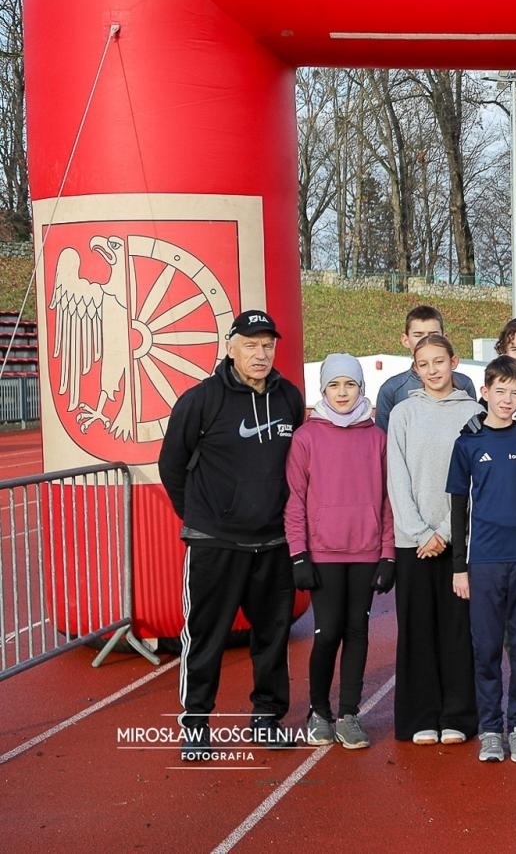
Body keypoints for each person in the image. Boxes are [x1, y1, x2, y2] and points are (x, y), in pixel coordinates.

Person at [157, 309, 306, 761]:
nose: (260, 354)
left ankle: (266, 720)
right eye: (250, 345)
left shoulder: (289, 398)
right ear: (230, 347)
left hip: (274, 543)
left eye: (267, 345)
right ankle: (196, 723)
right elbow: (171, 465)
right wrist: (202, 517)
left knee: (272, 637)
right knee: (205, 635)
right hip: (215, 543)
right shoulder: (200, 400)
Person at [285, 353, 394, 751]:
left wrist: (388, 555)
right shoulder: (306, 438)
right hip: (323, 554)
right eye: (335, 385)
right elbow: (295, 500)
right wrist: (299, 554)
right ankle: (319, 711)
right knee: (326, 632)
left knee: (357, 632)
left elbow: (386, 501)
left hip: (365, 552)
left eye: (350, 385)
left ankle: (349, 713)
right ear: (324, 390)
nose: (343, 392)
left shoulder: (377, 437)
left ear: (361, 389)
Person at [446, 355, 516, 765]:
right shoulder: (467, 444)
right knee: (486, 647)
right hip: (484, 561)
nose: (507, 399)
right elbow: (459, 509)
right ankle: (491, 728)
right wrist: (459, 565)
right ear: (485, 393)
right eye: (500, 391)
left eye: (515, 392)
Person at [386, 333, 482, 745]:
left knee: (457, 632)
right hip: (413, 541)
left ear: (454, 362)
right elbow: (397, 477)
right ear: (414, 368)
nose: (432, 370)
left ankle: (458, 715)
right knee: (416, 631)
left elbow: (476, 481)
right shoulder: (403, 414)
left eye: (438, 361)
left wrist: (444, 532)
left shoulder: (475, 413)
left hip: (457, 541)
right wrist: (421, 532)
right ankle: (419, 715)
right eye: (423, 364)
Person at [374, 304, 476, 429]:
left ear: (445, 338)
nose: (426, 340)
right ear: (405, 340)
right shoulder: (391, 389)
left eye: (433, 335)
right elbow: (384, 441)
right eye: (418, 335)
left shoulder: (464, 384)